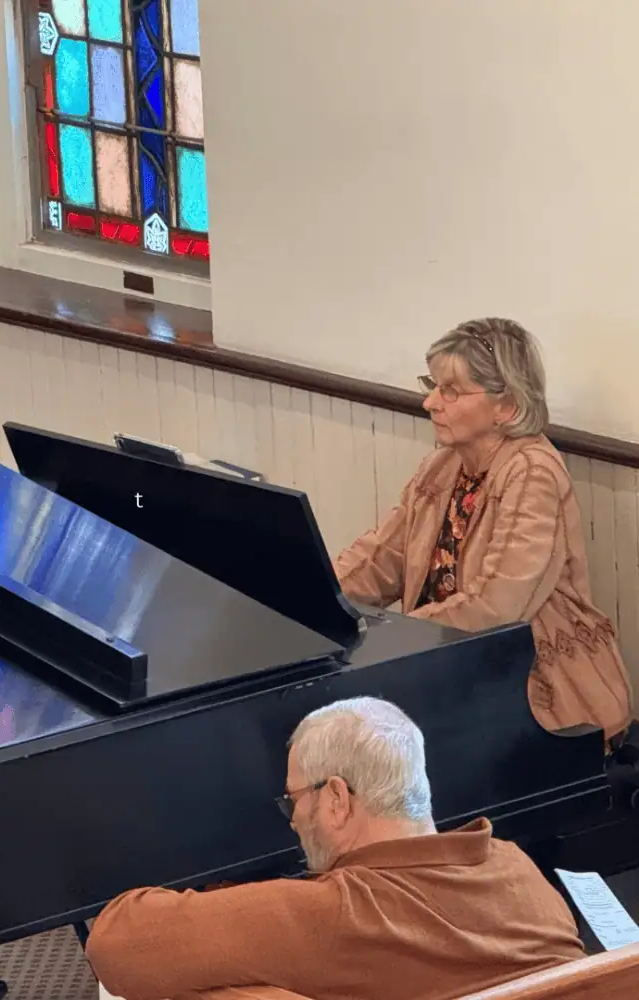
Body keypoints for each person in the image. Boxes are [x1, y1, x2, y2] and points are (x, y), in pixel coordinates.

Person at [87, 697, 586, 1000]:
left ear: (337, 799)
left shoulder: (337, 913)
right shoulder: (519, 870)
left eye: (295, 800)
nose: (294, 821)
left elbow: (115, 944)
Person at [334, 318, 632, 742]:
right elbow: (381, 559)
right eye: (432, 385)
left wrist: (394, 642)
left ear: (506, 405)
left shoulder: (532, 472)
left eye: (450, 391)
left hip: (537, 694)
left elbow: (497, 606)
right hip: (452, 666)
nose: (430, 402)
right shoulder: (443, 464)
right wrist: (318, 597)